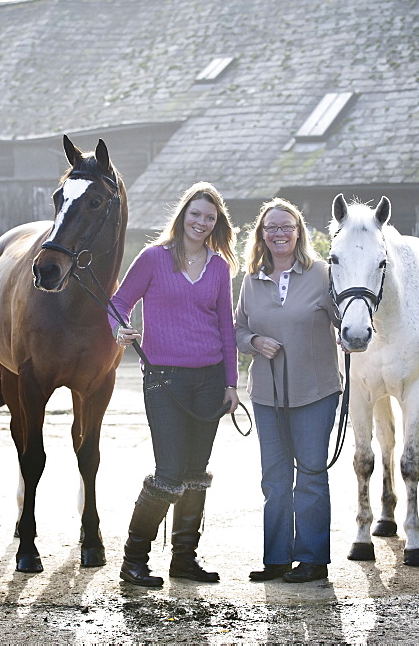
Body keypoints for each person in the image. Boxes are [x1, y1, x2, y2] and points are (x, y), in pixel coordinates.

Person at [111, 181, 240, 588]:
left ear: (216, 223)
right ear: (183, 215)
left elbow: (226, 328)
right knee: (168, 474)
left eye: (209, 217)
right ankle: (133, 562)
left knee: (197, 473)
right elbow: (118, 303)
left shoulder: (219, 267)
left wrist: (232, 384)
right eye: (195, 214)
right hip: (163, 379)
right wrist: (119, 329)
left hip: (210, 380)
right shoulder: (152, 259)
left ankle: (184, 559)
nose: (201, 222)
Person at [234, 198, 340, 583]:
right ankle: (276, 558)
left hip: (315, 392)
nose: (279, 233)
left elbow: (343, 321)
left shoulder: (323, 274)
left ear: (299, 231)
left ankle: (312, 559)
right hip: (267, 394)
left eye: (286, 226)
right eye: (271, 227)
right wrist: (254, 341)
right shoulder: (250, 279)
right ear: (261, 235)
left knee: (311, 474)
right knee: (274, 478)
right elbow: (237, 329)